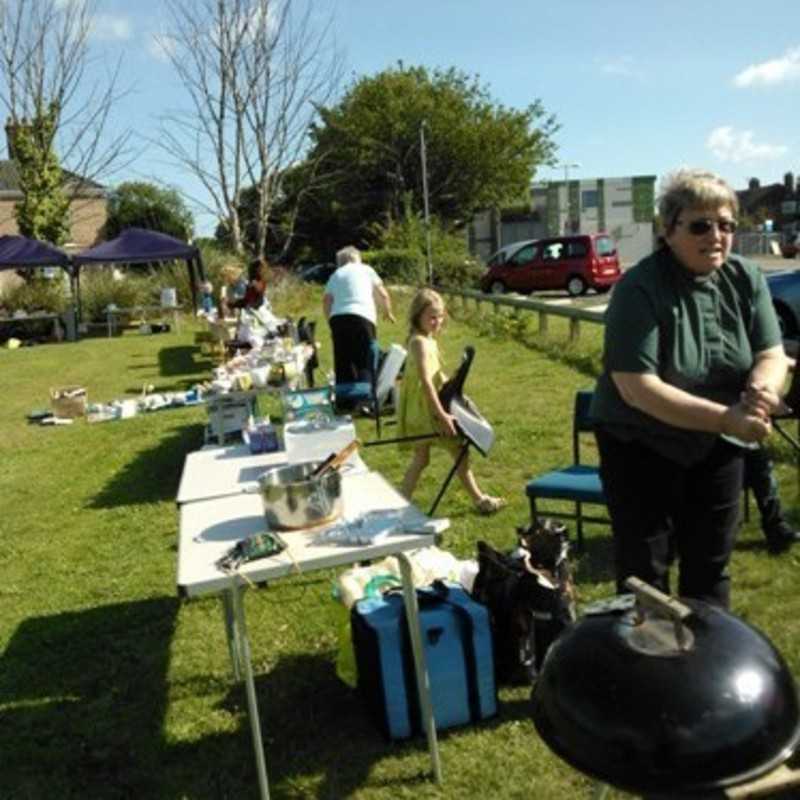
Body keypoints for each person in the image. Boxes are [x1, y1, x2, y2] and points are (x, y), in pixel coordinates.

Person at [591, 168, 788, 609]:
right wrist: (728, 418)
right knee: (645, 574)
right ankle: (648, 671)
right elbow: (636, 387)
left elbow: (772, 354)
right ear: (669, 230)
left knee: (710, 566)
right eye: (700, 225)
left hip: (717, 443)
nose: (716, 235)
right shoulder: (639, 288)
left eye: (726, 225)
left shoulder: (745, 278)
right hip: (640, 443)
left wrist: (761, 391)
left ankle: (708, 671)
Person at [398, 288, 505, 515]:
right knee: (458, 450)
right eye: (431, 317)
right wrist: (442, 414)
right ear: (418, 315)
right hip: (427, 409)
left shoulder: (427, 339)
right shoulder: (419, 342)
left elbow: (435, 376)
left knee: (422, 458)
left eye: (440, 316)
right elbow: (426, 382)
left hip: (423, 407)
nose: (437, 321)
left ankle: (400, 502)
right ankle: (480, 500)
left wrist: (454, 387)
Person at [323, 245, 395, 385]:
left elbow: (326, 301)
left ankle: (344, 396)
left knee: (343, 358)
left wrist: (330, 321)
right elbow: (383, 295)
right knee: (364, 356)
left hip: (338, 318)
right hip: (363, 316)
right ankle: (364, 395)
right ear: (357, 258)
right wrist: (388, 312)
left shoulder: (336, 274)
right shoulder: (366, 270)